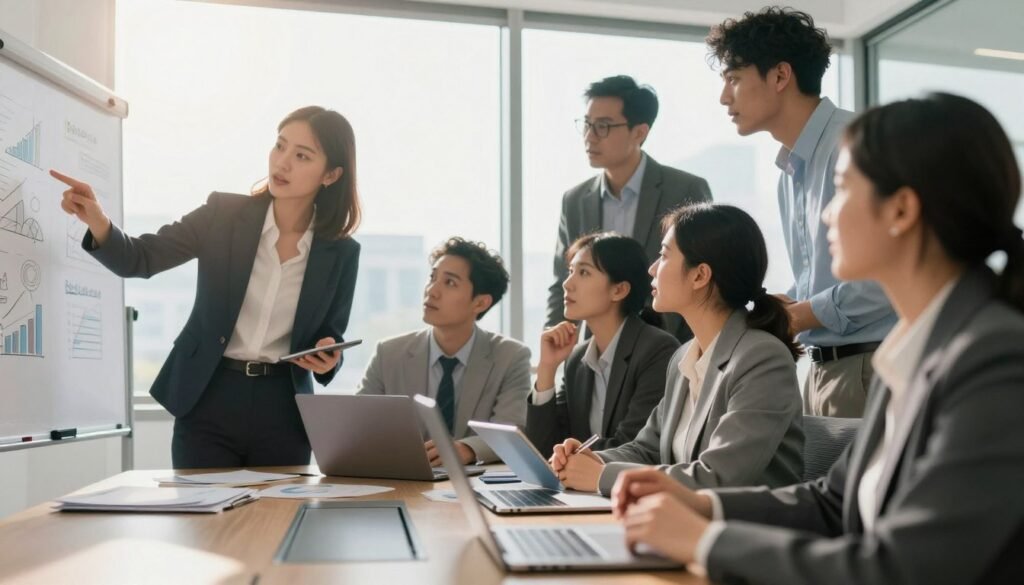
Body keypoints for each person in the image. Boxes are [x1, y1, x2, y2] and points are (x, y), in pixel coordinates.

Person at [612, 93, 1024, 585]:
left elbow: (904, 569)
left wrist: (703, 540)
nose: (827, 215)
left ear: (901, 210)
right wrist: (699, 504)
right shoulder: (915, 352)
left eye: (842, 189)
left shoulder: (994, 359)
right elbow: (832, 504)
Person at [53, 106, 361, 468]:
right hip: (209, 398)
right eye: (280, 146)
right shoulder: (223, 215)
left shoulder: (341, 252)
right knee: (200, 519)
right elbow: (142, 257)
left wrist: (327, 358)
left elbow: (329, 338)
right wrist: (99, 221)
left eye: (302, 155)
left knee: (274, 522)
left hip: (285, 409)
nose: (282, 162)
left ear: (331, 174)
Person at [708, 7, 896, 416]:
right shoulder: (789, 170)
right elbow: (820, 280)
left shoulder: (856, 144)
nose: (724, 97)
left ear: (779, 76)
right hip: (821, 370)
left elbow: (890, 276)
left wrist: (800, 314)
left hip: (871, 369)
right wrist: (785, 306)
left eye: (734, 79)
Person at [550, 204, 804, 495]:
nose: (652, 268)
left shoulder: (762, 359)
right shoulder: (683, 357)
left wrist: (602, 476)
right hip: (681, 524)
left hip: (744, 531)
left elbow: (720, 477)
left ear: (700, 276)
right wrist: (590, 460)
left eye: (664, 255)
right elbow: (647, 450)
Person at [547, 74, 712, 343]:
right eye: (587, 125)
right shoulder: (575, 200)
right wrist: (556, 347)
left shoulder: (684, 190)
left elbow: (702, 280)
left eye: (603, 126)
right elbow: (560, 284)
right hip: (597, 351)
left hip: (669, 347)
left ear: (639, 132)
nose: (590, 137)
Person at [357, 237, 530, 465]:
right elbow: (358, 426)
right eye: (432, 277)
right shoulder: (388, 353)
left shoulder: (511, 357)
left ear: (480, 303)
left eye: (449, 283)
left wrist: (466, 448)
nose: (432, 290)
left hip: (473, 485)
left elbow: (509, 430)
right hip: (403, 478)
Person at [526, 232, 679, 457]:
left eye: (584, 272)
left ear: (619, 290)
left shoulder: (657, 350)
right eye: (570, 272)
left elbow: (633, 446)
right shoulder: (577, 359)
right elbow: (543, 449)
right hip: (581, 489)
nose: (567, 284)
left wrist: (567, 455)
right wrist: (547, 369)